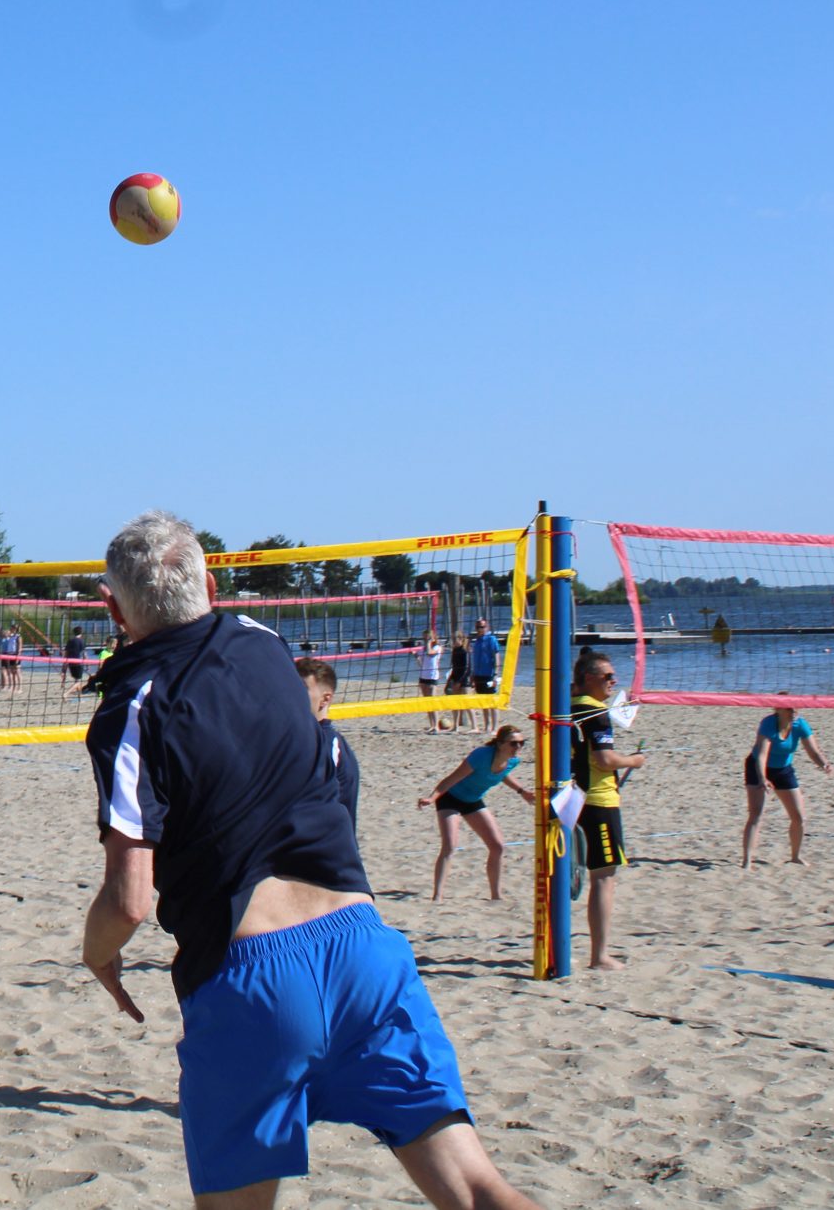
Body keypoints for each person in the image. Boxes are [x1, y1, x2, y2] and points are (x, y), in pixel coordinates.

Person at [78, 511, 533, 1209]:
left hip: (251, 975)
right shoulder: (266, 644)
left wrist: (98, 955)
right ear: (211, 585)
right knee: (477, 1188)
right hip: (365, 950)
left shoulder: (130, 705)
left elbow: (128, 900)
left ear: (112, 608)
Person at [569, 653, 646, 969]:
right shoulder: (596, 713)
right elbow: (604, 759)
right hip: (598, 801)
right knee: (603, 877)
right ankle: (599, 956)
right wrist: (633, 761)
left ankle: (561, 947)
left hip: (571, 799)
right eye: (608, 677)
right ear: (589, 678)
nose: (614, 682)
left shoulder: (567, 708)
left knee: (569, 875)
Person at [416, 728, 536, 902]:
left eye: (521, 743)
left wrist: (522, 792)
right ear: (500, 743)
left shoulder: (513, 761)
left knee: (497, 846)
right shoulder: (481, 756)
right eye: (513, 743)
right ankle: (437, 897)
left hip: (473, 801)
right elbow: (451, 779)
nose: (518, 747)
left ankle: (496, 896)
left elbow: (503, 775)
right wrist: (432, 798)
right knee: (449, 846)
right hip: (450, 798)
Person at [741, 702, 834, 867]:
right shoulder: (768, 723)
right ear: (778, 710)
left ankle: (795, 857)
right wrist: (763, 778)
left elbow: (813, 751)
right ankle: (747, 861)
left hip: (783, 770)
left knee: (799, 817)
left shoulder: (800, 724)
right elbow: (762, 754)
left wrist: (824, 764)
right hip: (757, 767)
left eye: (795, 707)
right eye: (789, 708)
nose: (794, 711)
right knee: (756, 814)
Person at [294, 658, 359, 839]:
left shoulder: (327, 744)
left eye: (302, 688)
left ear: (325, 699)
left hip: (322, 846)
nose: (293, 693)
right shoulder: (302, 738)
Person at [466, 620, 503, 734]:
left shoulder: (491, 639)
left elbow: (496, 657)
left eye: (482, 627)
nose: (479, 629)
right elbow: (473, 659)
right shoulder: (477, 641)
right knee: (483, 702)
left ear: (487, 627)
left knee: (492, 702)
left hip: (489, 675)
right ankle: (487, 726)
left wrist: (496, 674)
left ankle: (495, 728)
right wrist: (472, 674)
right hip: (478, 675)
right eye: (478, 627)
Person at [439, 631, 470, 731]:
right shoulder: (455, 651)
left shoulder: (464, 651)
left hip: (464, 681)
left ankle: (474, 726)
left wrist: (459, 682)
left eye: (455, 639)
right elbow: (454, 668)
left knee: (467, 704)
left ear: (460, 639)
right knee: (455, 704)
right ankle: (455, 726)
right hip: (456, 679)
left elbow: (466, 668)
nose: (453, 641)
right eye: (452, 639)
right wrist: (450, 680)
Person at [417, 629, 444, 731]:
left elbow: (429, 653)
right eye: (424, 638)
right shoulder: (423, 649)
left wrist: (428, 643)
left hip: (432, 677)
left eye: (428, 638)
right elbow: (421, 664)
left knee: (433, 701)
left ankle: (436, 725)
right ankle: (432, 725)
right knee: (427, 702)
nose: (425, 640)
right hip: (423, 676)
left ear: (433, 638)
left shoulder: (437, 648)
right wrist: (416, 656)